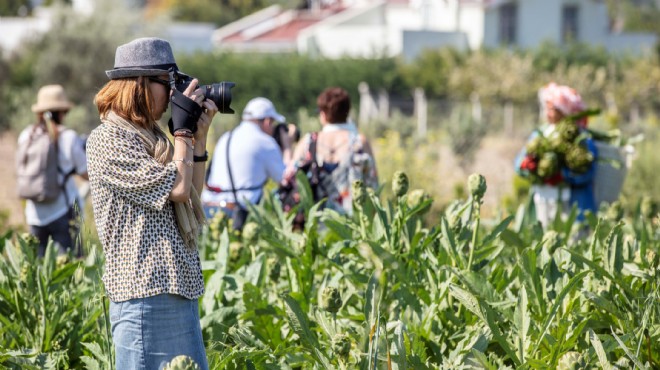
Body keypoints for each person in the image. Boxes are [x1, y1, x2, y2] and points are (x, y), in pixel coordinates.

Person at [87, 37, 217, 370]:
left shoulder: (155, 137)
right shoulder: (108, 140)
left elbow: (190, 194)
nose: (174, 95)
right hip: (144, 294)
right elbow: (176, 187)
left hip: (175, 289)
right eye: (168, 84)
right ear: (140, 85)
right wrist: (183, 133)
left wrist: (197, 138)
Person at [17, 84, 88, 257]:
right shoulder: (68, 137)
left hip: (34, 214)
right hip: (62, 212)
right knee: (72, 269)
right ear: (61, 112)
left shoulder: (26, 135)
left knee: (40, 272)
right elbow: (86, 174)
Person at [201, 97, 293, 231]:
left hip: (208, 209)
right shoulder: (265, 142)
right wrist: (287, 147)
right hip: (238, 215)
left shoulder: (226, 137)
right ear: (267, 121)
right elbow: (284, 178)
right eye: (273, 123)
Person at [515, 82, 598, 227]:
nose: (548, 113)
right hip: (542, 201)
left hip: (571, 206)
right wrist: (526, 166)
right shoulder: (539, 134)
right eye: (547, 108)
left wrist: (563, 175)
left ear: (564, 111)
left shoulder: (581, 138)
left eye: (552, 109)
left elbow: (588, 173)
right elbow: (518, 163)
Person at [286, 87, 378, 215]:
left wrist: (287, 145)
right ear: (347, 112)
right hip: (352, 223)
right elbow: (373, 184)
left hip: (316, 221)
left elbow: (289, 177)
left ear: (323, 114)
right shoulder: (359, 142)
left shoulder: (308, 141)